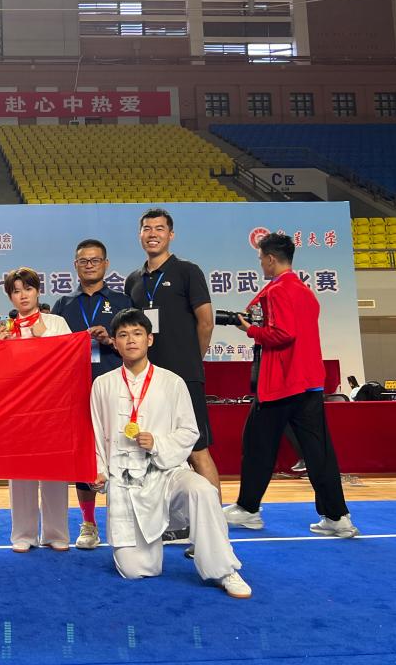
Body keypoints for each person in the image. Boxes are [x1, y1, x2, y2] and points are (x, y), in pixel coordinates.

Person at [90, 308, 250, 598]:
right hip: (126, 483)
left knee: (202, 490)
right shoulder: (102, 385)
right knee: (136, 570)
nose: (131, 340)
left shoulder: (172, 382)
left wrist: (158, 443)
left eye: (137, 333)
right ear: (114, 342)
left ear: (149, 339)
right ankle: (154, 540)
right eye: (123, 335)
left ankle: (223, 569)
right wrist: (99, 472)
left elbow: (189, 432)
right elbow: (96, 434)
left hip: (166, 473)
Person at [224, 232, 360, 538]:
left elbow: (283, 334)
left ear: (271, 259)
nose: (260, 264)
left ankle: (248, 510)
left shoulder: (278, 290)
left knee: (257, 446)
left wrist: (251, 331)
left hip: (281, 383)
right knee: (318, 452)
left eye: (261, 258)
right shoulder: (305, 292)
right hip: (309, 384)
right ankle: (337, 517)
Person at [124, 208, 220, 547]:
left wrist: (192, 360)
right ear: (140, 235)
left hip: (185, 376)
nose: (153, 234)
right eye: (147, 228)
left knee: (197, 450)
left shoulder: (187, 271)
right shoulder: (133, 280)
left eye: (160, 228)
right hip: (149, 382)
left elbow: (205, 322)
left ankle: (213, 533)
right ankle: (177, 524)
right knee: (159, 452)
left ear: (171, 235)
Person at [51, 238, 132, 550]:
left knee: (121, 451)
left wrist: (110, 340)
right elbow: (52, 350)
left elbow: (137, 342)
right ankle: (89, 524)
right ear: (75, 266)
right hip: (77, 389)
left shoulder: (123, 301)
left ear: (106, 264)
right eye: (83, 261)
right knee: (85, 455)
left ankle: (123, 521)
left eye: (95, 260)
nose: (89, 265)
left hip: (115, 384)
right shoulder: (63, 305)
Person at [0, 266, 73, 552]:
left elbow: (71, 360)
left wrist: (47, 337)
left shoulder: (56, 323)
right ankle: (23, 534)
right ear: (10, 297)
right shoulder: (4, 330)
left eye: (28, 289)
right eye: (16, 291)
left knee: (53, 472)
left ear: (38, 291)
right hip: (18, 411)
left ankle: (56, 533)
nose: (23, 296)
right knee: (21, 473)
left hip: (52, 409)